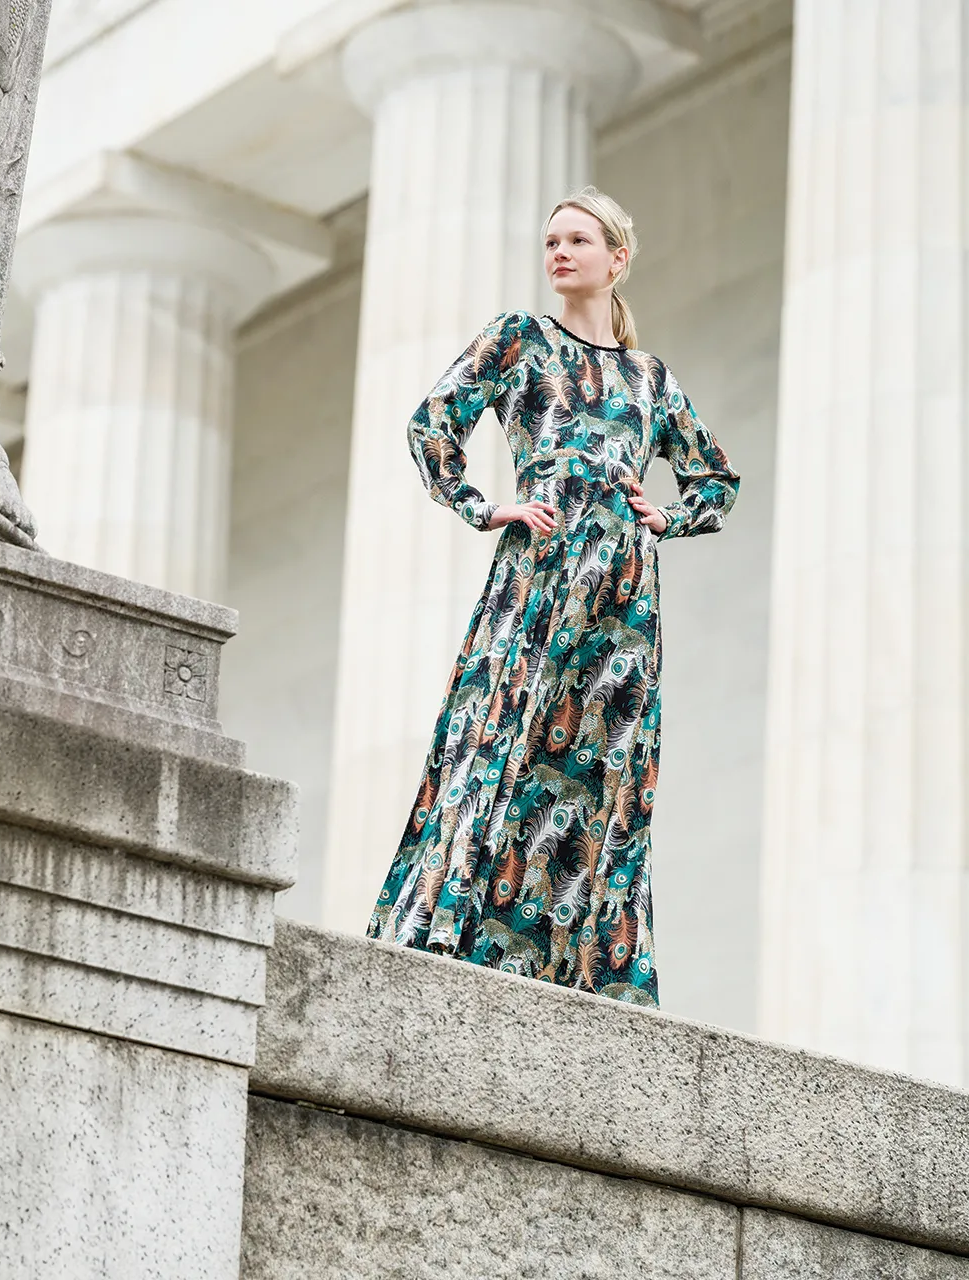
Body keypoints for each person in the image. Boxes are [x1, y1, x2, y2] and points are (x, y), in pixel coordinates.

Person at [366, 187, 739, 1007]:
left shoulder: (650, 379)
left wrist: (667, 517)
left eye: (577, 239)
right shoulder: (520, 339)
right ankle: (455, 934)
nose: (559, 253)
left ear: (618, 258)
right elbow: (432, 424)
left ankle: (584, 973)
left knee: (604, 770)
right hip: (537, 580)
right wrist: (484, 504)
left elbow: (717, 477)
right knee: (507, 741)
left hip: (623, 606)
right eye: (550, 241)